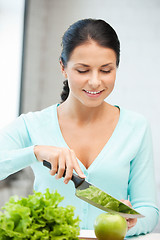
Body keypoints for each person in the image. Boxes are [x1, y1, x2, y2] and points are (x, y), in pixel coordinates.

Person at [0, 18, 159, 237]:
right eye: (83, 70)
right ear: (63, 68)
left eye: (106, 70)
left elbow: (148, 209)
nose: (95, 82)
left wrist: (130, 223)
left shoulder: (136, 127)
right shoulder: (31, 124)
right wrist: (36, 152)